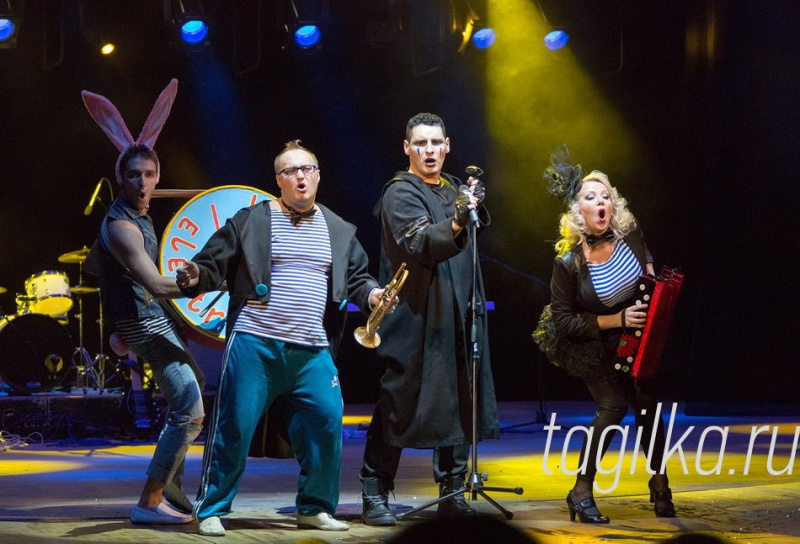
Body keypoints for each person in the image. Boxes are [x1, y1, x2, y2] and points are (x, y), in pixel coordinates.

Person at [176, 140, 384, 536]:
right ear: (278, 180)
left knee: (326, 423)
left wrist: (373, 294)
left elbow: (358, 277)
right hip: (255, 341)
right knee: (234, 426)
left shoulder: (337, 229)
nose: (300, 177)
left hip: (312, 349)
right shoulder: (252, 220)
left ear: (318, 176)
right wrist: (195, 275)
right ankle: (212, 508)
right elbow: (210, 262)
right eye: (291, 171)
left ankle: (315, 508)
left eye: (308, 169)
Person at [359, 112, 499, 526]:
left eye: (436, 143)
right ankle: (374, 489)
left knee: (459, 397)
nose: (429, 151)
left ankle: (452, 491)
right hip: (415, 315)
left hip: (458, 311)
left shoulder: (454, 187)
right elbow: (420, 241)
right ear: (407, 148)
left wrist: (472, 205)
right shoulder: (400, 192)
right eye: (420, 143)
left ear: (447, 146)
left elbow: (470, 234)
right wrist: (457, 218)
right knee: (399, 402)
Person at [82, 80, 205, 525]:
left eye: (149, 175)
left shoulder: (140, 214)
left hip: (150, 320)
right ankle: (149, 503)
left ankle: (168, 488)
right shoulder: (122, 225)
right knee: (189, 407)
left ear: (157, 176)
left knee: (192, 402)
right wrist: (209, 284)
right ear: (120, 177)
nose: (142, 182)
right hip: (144, 324)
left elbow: (102, 269)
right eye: (134, 174)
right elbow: (155, 283)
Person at [540, 145, 675, 523]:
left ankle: (660, 481)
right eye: (591, 197)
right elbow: (562, 320)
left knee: (647, 405)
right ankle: (581, 490)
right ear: (577, 211)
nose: (601, 201)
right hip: (592, 341)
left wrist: (651, 292)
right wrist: (616, 319)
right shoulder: (568, 263)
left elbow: (647, 264)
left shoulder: (630, 232)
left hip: (634, 336)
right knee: (614, 406)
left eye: (606, 195)